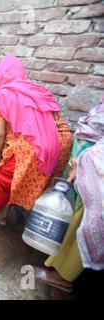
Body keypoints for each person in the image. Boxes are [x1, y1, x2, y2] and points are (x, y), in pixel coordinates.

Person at [0, 56, 72, 227]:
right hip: (60, 144)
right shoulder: (36, 90)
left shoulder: (4, 95)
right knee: (21, 180)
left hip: (31, 147)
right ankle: (2, 216)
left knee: (1, 178)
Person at [33, 100, 104, 293]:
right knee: (76, 219)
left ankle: (64, 276)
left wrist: (82, 161)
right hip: (90, 169)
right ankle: (56, 262)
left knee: (90, 226)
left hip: (98, 174)